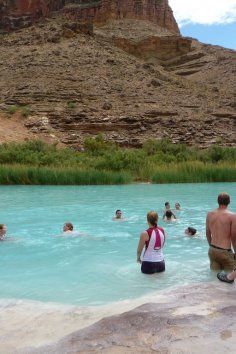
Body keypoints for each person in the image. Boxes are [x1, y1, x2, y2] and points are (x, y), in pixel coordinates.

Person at [206, 192, 236, 271]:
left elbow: (207, 233)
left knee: (215, 277)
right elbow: (233, 236)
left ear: (217, 201)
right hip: (225, 251)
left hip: (212, 250)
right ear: (229, 201)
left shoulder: (209, 214)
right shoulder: (232, 216)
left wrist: (211, 246)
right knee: (231, 276)